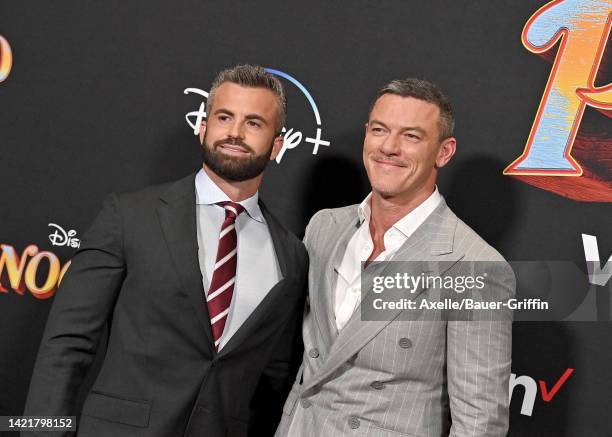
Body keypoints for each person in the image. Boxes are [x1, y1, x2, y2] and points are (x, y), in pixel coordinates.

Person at [22, 64, 308, 437]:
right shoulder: (128, 216)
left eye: (254, 123)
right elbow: (66, 345)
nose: (234, 133)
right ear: (203, 127)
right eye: (224, 117)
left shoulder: (291, 256)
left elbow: (274, 379)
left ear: (277, 145)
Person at [276, 78, 515, 437]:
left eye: (411, 136)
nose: (389, 147)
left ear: (444, 152)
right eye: (379, 130)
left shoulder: (474, 266)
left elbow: (479, 423)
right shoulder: (325, 228)